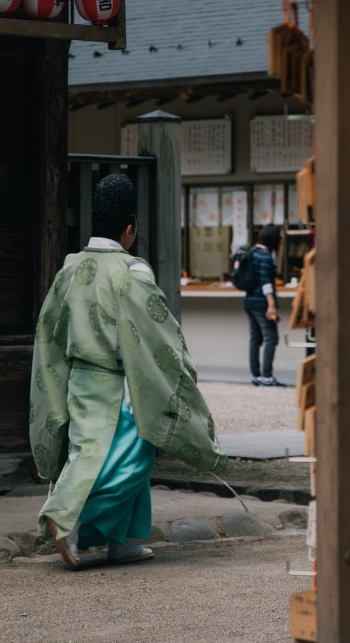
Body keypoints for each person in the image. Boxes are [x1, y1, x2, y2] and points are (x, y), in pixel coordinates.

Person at [29, 173, 226, 569]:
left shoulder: (70, 268)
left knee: (88, 454)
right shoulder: (132, 272)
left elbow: (50, 331)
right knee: (133, 459)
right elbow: (158, 335)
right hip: (121, 385)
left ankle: (121, 541)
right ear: (130, 228)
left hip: (78, 379)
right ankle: (68, 518)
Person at [244, 224, 284, 387]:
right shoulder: (265, 255)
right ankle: (266, 376)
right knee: (271, 338)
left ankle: (256, 375)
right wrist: (271, 305)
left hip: (249, 301)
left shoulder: (251, 252)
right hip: (262, 302)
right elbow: (266, 281)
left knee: (255, 339)